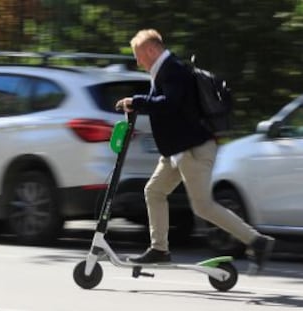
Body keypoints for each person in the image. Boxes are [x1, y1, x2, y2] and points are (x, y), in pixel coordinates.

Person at [115, 29, 274, 272]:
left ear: (151, 50)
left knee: (203, 206)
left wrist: (135, 102)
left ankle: (256, 241)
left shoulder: (174, 71)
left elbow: (168, 104)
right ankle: (159, 248)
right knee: (154, 191)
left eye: (138, 55)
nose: (138, 62)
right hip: (177, 151)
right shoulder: (164, 71)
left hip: (193, 151)